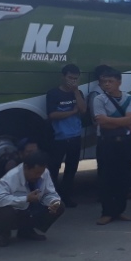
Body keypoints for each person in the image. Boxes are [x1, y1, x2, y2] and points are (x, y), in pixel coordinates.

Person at [0, 150, 65, 246]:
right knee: (6, 211)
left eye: (41, 173)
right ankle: (4, 233)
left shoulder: (44, 173)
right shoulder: (11, 177)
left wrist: (53, 202)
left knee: (59, 205)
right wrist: (25, 199)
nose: (39, 176)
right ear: (26, 168)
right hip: (5, 212)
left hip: (29, 209)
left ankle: (26, 231)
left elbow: (49, 193)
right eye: (36, 173)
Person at [93, 67, 131, 225]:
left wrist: (110, 120)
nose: (107, 84)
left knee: (123, 178)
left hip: (124, 143)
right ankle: (107, 212)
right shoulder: (99, 99)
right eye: (104, 81)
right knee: (106, 178)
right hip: (106, 143)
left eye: (110, 81)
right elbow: (102, 123)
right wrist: (122, 122)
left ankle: (119, 211)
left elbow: (130, 120)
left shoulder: (129, 98)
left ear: (119, 82)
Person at [46, 64, 86, 207]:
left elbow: (83, 110)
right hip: (59, 137)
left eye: (75, 78)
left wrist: (76, 92)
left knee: (71, 169)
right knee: (53, 169)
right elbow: (52, 115)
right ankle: (51, 198)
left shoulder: (78, 93)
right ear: (63, 77)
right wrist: (71, 112)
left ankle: (66, 197)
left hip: (75, 136)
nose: (72, 81)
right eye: (70, 78)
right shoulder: (53, 93)